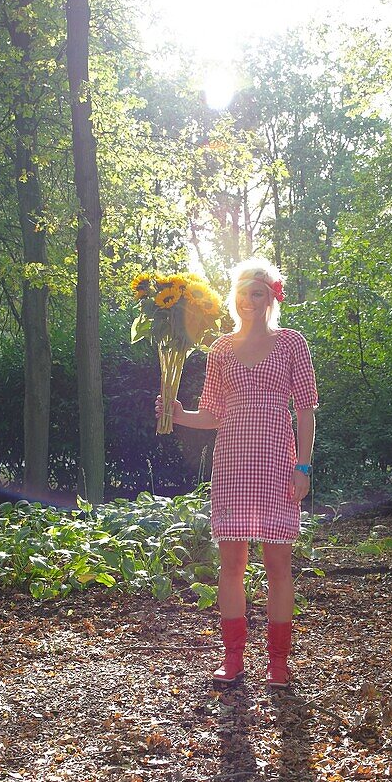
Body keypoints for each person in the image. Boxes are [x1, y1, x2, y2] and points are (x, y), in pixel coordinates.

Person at [155, 257, 318, 688]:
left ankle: (278, 663)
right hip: (231, 463)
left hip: (278, 461)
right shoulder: (221, 349)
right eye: (244, 293)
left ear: (271, 297)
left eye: (258, 292)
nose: (249, 300)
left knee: (278, 564)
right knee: (231, 564)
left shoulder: (291, 344)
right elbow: (212, 413)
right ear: (236, 298)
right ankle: (233, 659)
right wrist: (179, 414)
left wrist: (303, 466)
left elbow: (305, 411)